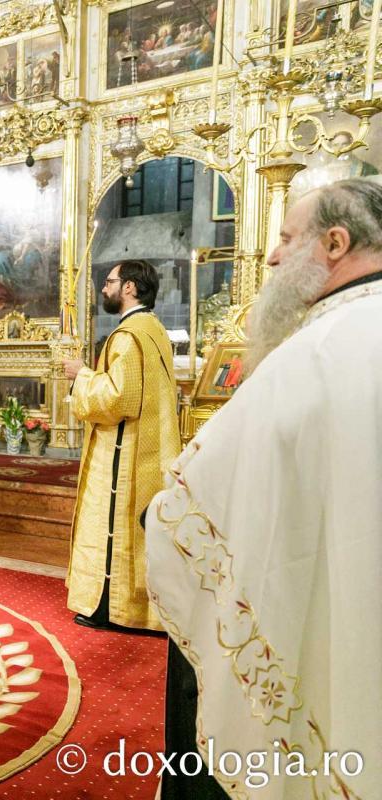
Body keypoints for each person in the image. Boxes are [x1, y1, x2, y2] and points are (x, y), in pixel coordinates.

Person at [146, 179, 382, 800]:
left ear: (336, 243)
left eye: (284, 238)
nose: (273, 257)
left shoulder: (315, 353)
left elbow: (188, 510)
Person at [63, 259, 179, 632]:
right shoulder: (154, 329)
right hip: (151, 447)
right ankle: (136, 609)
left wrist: (80, 375)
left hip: (125, 453)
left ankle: (112, 609)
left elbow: (117, 399)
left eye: (109, 282)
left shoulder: (128, 336)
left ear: (129, 287)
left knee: (118, 520)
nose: (103, 289)